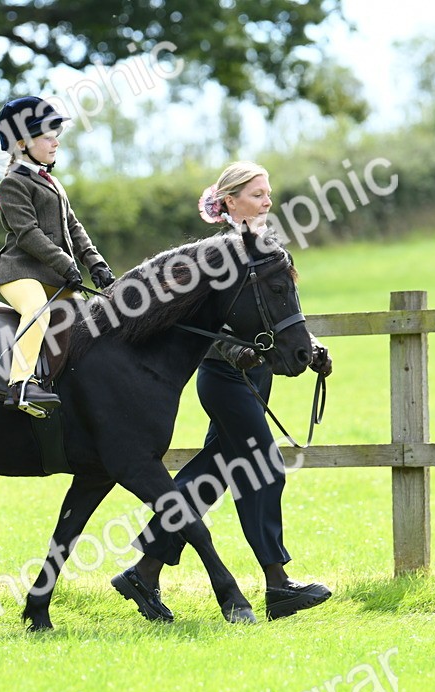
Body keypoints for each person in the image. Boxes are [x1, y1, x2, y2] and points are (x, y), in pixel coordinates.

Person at [110, 161, 334, 622]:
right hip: (225, 379)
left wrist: (310, 347)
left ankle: (144, 572)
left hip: (257, 379)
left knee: (207, 480)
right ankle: (277, 583)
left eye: (267, 192)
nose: (267, 201)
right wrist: (235, 351)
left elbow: (280, 312)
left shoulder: (268, 247)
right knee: (264, 470)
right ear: (230, 201)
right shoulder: (217, 255)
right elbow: (198, 321)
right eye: (256, 194)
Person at [0, 96, 115, 417]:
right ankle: (20, 385)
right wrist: (66, 263)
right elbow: (28, 234)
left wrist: (96, 263)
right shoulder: (12, 184)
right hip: (20, 272)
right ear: (22, 144)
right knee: (36, 311)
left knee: (93, 319)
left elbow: (74, 227)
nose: (56, 142)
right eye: (47, 137)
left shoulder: (52, 182)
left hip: (55, 275)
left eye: (55, 135)